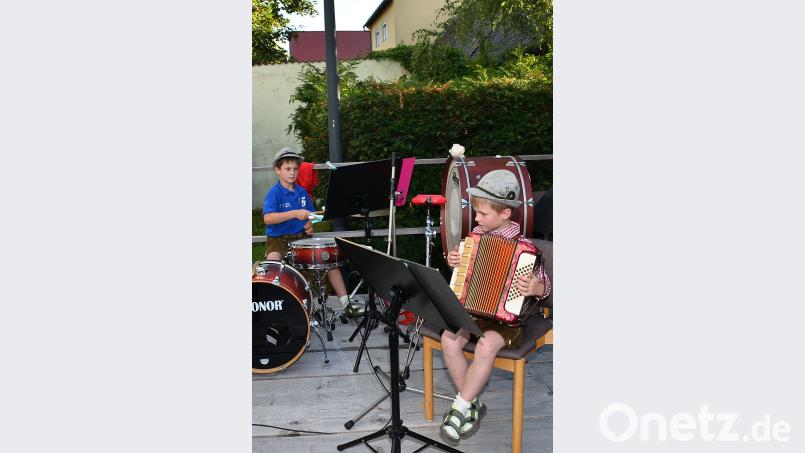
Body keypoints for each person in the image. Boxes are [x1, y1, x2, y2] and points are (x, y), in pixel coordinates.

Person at [439, 169, 551, 445]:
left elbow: (544, 284)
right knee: (449, 339)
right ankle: (472, 402)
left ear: (505, 214)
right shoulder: (476, 237)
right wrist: (456, 261)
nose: (476, 219)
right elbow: (463, 275)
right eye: (475, 212)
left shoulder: (523, 247)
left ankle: (461, 407)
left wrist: (538, 288)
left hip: (506, 321)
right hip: (473, 312)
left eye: (482, 214)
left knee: (486, 346)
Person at [262, 147, 364, 316]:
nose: (292, 173)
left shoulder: (302, 193)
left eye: (295, 169)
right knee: (272, 264)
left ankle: (346, 304)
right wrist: (294, 213)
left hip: (301, 239)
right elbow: (268, 219)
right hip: (278, 239)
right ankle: (274, 307)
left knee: (330, 260)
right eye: (287, 169)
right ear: (277, 170)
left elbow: (311, 216)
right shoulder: (274, 193)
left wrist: (310, 225)